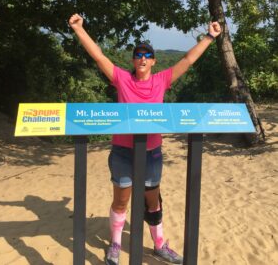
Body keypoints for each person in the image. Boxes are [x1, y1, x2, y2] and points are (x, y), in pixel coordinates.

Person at [69, 13, 221, 264]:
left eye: (147, 55)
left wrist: (209, 37)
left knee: (153, 201)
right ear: (133, 60)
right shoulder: (122, 79)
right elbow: (99, 56)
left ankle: (160, 244)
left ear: (154, 61)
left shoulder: (162, 80)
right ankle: (116, 245)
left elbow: (188, 60)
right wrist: (79, 29)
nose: (142, 58)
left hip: (152, 153)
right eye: (138, 55)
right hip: (122, 151)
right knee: (121, 201)